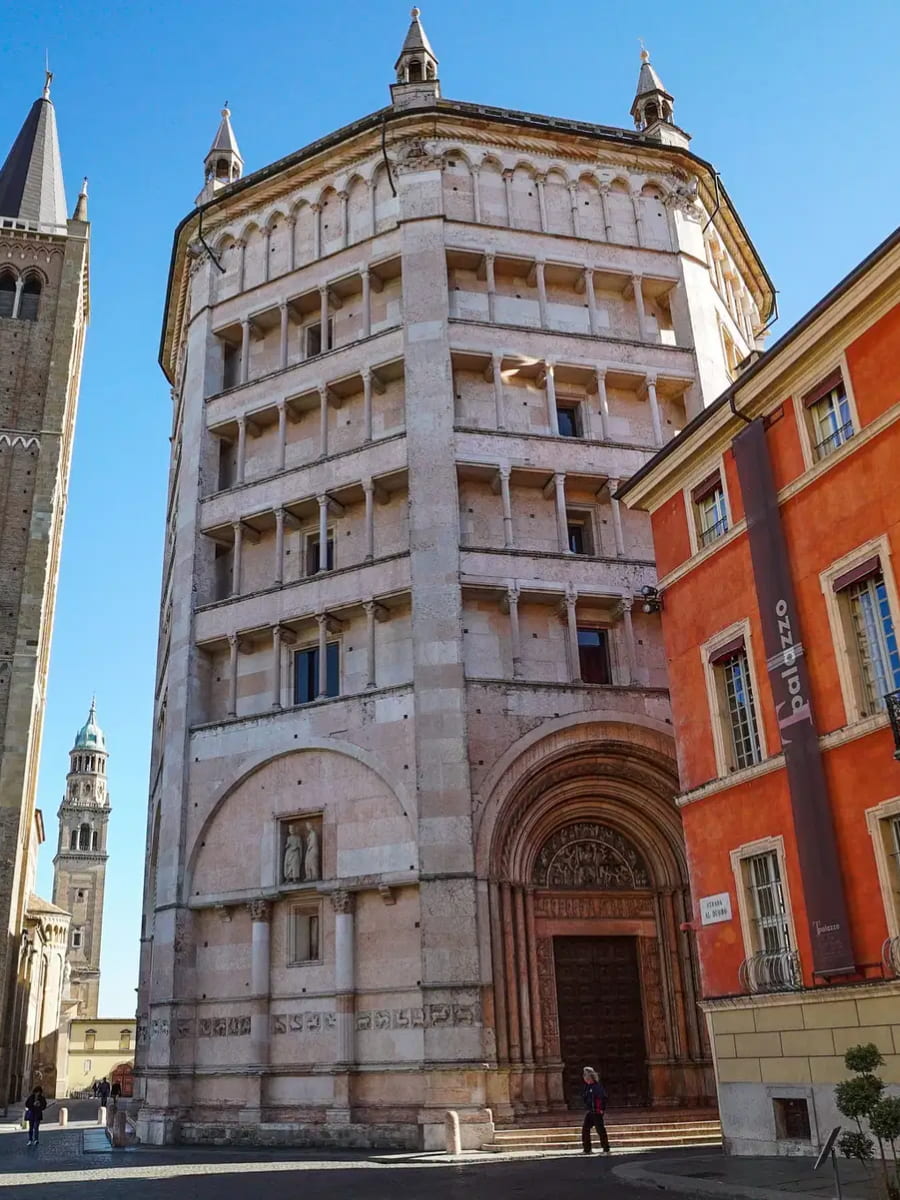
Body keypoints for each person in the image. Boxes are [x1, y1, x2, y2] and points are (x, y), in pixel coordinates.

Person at [581, 1066, 611, 1155]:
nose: (584, 1077)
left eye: (585, 1075)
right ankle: (587, 1149)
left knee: (600, 1130)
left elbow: (603, 1098)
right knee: (585, 1129)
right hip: (591, 1111)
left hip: (597, 1111)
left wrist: (601, 1109)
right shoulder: (587, 1087)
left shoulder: (597, 1087)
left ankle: (606, 1149)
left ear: (589, 1077)